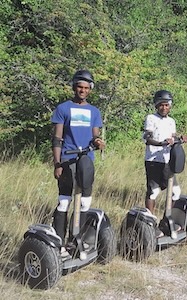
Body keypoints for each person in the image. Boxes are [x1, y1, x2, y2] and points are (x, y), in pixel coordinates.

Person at [51, 69, 105, 257]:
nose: (82, 90)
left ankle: (76, 241)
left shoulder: (94, 111)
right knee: (64, 201)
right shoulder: (63, 108)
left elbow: (95, 135)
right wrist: (57, 164)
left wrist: (98, 142)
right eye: (79, 87)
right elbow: (57, 138)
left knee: (84, 202)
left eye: (86, 88)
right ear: (74, 87)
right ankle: (58, 244)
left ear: (90, 89)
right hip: (67, 159)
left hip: (86, 160)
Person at [143, 90, 187, 223]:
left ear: (170, 106)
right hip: (153, 160)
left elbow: (172, 138)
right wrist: (160, 144)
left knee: (176, 192)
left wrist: (181, 138)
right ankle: (149, 221)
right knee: (153, 192)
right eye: (161, 105)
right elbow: (147, 138)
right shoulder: (151, 118)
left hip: (168, 161)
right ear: (157, 105)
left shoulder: (171, 121)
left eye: (167, 105)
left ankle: (167, 219)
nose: (164, 108)